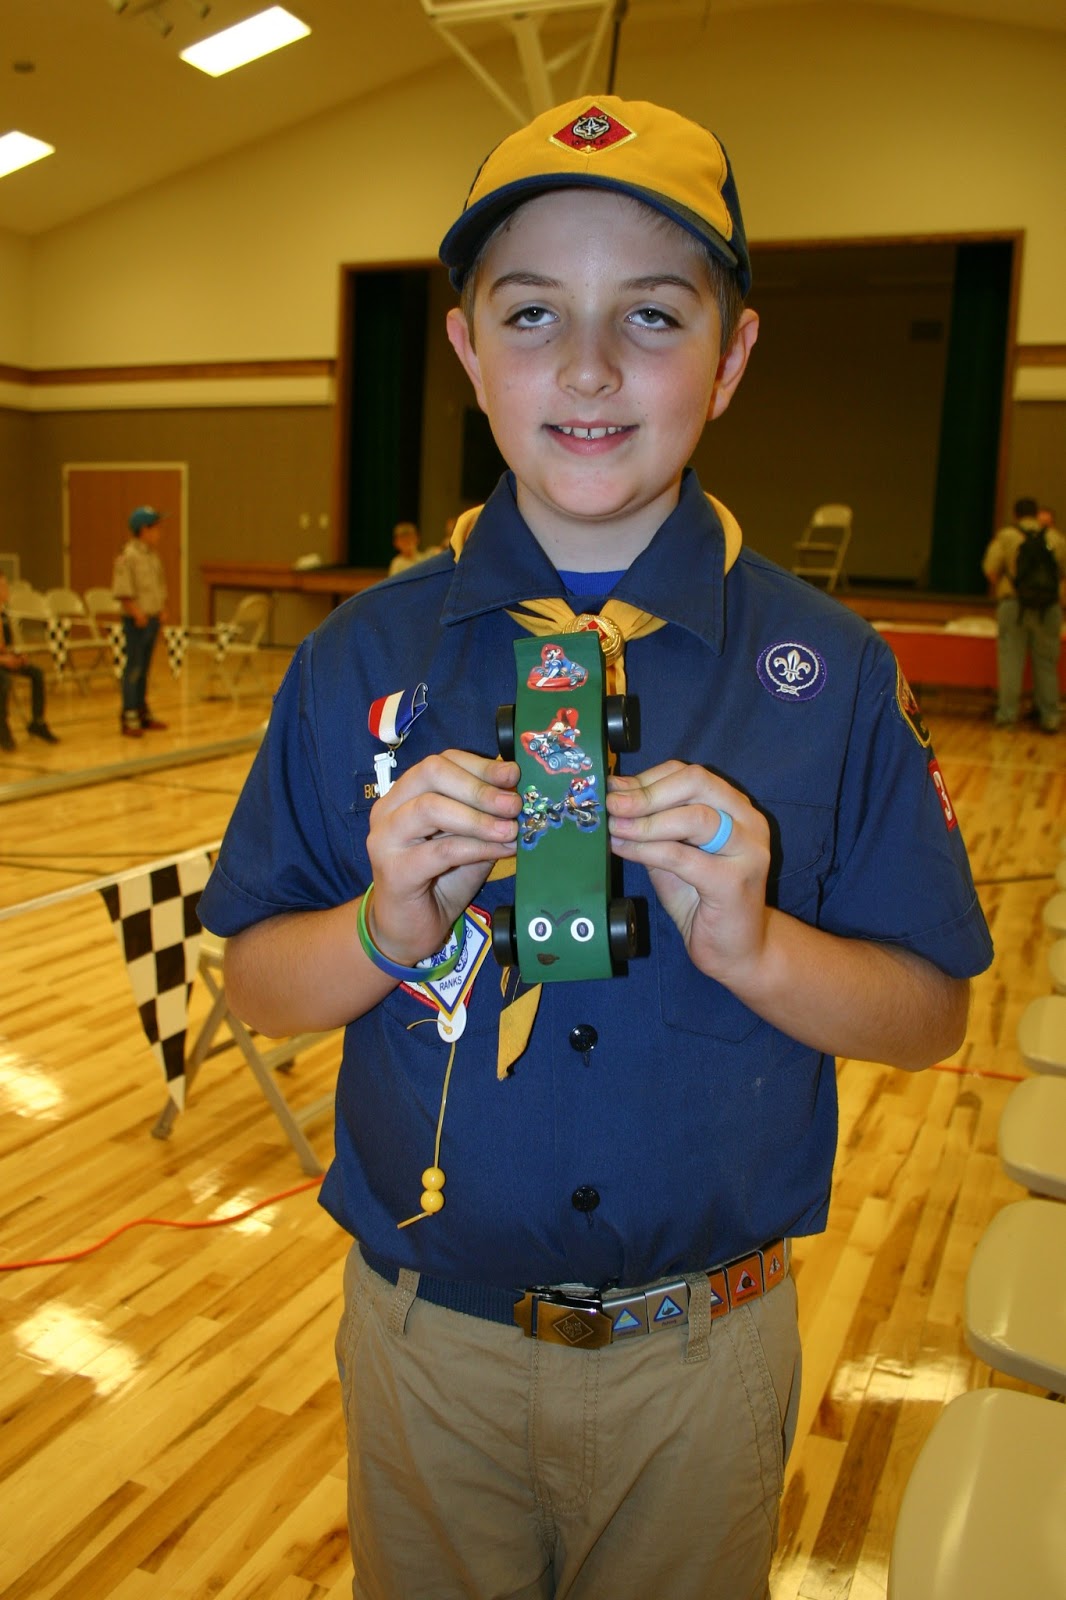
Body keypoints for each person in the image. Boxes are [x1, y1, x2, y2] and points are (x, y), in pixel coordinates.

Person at [199, 96, 993, 1599]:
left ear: (732, 355)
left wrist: (760, 946)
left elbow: (933, 1011)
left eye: (648, 315)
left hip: (703, 1358)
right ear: (464, 354)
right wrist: (385, 923)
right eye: (530, 314)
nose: (584, 367)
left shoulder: (829, 673)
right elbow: (256, 984)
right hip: (427, 1346)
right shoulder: (355, 658)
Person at [982, 494, 1066, 733]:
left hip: (1014, 606)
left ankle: (1007, 716)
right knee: (1047, 664)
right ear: (1036, 513)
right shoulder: (1054, 537)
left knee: (1010, 662)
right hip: (1048, 609)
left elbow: (990, 569)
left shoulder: (1007, 537)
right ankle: (1050, 717)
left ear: (1016, 514)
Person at [112, 506, 169, 738]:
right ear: (144, 529)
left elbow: (157, 585)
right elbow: (123, 591)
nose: (160, 533)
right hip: (137, 621)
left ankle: (142, 710)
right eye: (156, 527)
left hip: (152, 618)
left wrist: (162, 609)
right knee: (134, 668)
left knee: (144, 669)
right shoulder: (128, 556)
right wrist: (137, 613)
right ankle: (129, 713)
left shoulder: (152, 555)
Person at [0, 573, 60, 750]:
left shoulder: (5, 614)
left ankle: (37, 721)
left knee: (37, 673)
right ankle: (2, 725)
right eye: (2, 587)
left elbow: (6, 645)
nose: (6, 591)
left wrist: (17, 656)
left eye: (6, 586)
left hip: (5, 659)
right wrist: (3, 661)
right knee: (3, 681)